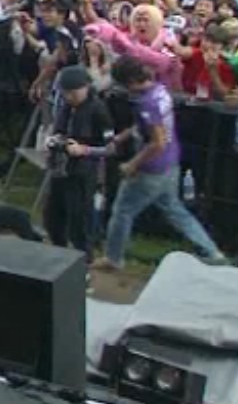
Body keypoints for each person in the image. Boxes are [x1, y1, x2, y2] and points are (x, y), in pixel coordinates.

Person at [96, 58, 228, 272]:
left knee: (122, 211)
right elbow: (147, 126)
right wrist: (123, 136)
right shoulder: (159, 89)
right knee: (175, 209)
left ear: (129, 82)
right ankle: (212, 252)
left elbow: (157, 142)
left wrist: (132, 164)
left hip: (152, 168)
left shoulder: (146, 103)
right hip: (171, 161)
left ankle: (113, 258)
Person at [42, 65, 108, 263]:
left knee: (78, 221)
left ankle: (84, 260)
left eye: (74, 92)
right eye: (66, 93)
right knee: (52, 217)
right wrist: (53, 139)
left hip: (83, 172)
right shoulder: (66, 107)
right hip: (60, 168)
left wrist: (84, 150)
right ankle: (58, 254)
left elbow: (111, 148)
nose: (70, 97)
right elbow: (58, 130)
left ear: (86, 87)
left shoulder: (98, 110)